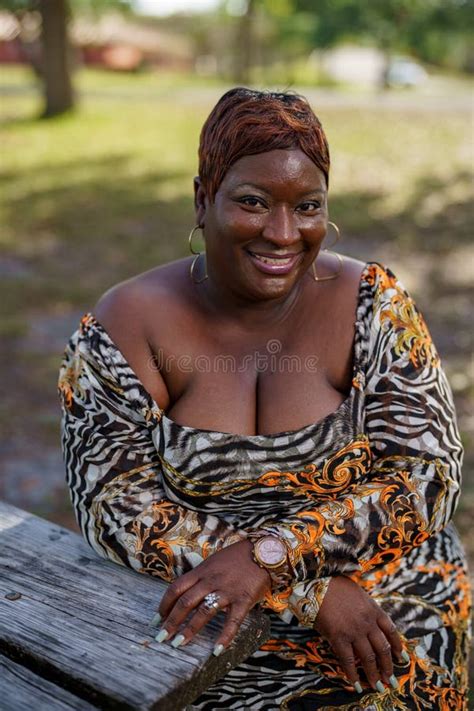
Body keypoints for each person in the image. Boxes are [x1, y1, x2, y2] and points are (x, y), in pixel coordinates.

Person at [58, 88, 471, 710]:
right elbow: (110, 502)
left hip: (387, 614)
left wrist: (270, 558)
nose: (283, 234)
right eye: (252, 202)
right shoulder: (128, 323)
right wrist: (309, 590)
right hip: (211, 627)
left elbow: (427, 477)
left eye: (307, 206)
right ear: (203, 199)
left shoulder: (372, 304)